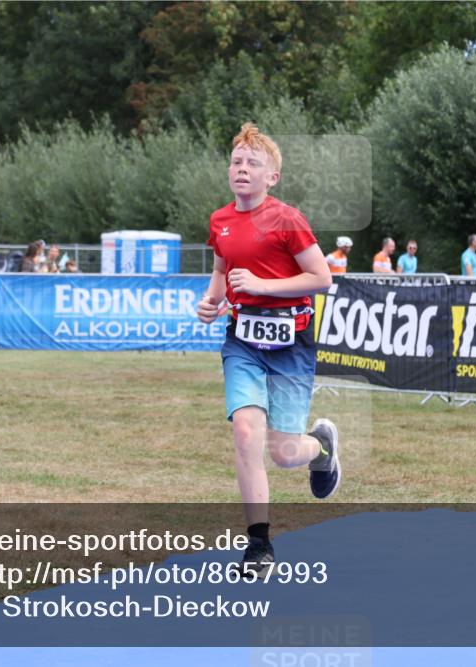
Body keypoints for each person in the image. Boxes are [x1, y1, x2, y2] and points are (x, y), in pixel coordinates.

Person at [197, 122, 341, 578]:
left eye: (252, 163)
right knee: (245, 432)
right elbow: (222, 271)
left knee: (282, 453)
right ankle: (258, 545)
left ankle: (320, 448)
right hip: (242, 341)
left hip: (290, 345)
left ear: (271, 177)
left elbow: (322, 279)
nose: (242, 169)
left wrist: (263, 285)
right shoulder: (220, 221)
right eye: (236, 162)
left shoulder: (287, 219)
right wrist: (212, 301)